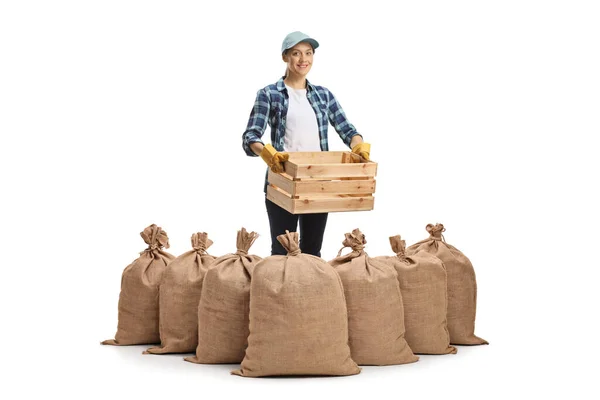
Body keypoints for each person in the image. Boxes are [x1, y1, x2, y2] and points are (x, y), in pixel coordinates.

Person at [242, 31, 371, 257]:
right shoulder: (270, 94)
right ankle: (279, 292)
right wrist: (268, 154)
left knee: (312, 251)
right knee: (283, 251)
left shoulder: (323, 95)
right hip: (282, 183)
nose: (304, 59)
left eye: (308, 53)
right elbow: (251, 136)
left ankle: (310, 293)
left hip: (317, 184)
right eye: (296, 53)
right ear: (285, 57)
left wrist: (358, 145)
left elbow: (348, 130)